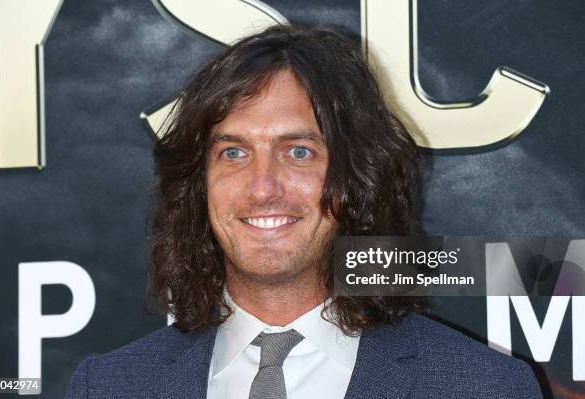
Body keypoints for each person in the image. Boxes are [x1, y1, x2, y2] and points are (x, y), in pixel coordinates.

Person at [65, 24, 542, 399]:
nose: (262, 187)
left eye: (298, 152)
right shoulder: (108, 387)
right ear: (198, 185)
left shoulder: (481, 388)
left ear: (357, 176)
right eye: (233, 152)